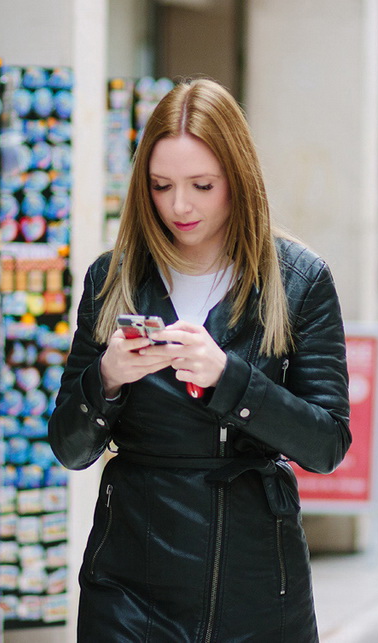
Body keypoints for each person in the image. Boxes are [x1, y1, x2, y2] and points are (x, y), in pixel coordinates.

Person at [48, 78, 351, 641]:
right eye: (161, 186)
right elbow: (69, 446)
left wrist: (231, 382)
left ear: (238, 179)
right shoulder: (112, 277)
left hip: (255, 575)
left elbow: (328, 443)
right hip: (130, 574)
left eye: (202, 185)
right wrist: (107, 379)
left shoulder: (299, 280)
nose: (179, 206)